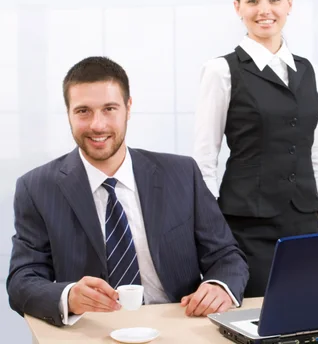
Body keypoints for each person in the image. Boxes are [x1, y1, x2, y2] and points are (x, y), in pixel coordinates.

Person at [7, 56, 249, 327]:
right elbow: (22, 281)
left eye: (109, 108)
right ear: (68, 114)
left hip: (180, 324)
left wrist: (220, 286)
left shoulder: (181, 173)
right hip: (94, 329)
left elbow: (225, 255)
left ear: (128, 108)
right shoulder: (37, 187)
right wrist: (68, 296)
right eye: (83, 111)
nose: (97, 125)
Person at [193, 0, 318, 298]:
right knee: (254, 315)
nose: (264, 10)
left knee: (305, 310)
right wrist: (212, 233)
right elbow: (204, 159)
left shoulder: (306, 69)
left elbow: (317, 151)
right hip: (245, 224)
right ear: (237, 7)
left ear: (289, 4)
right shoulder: (221, 71)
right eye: (253, 0)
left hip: (302, 220)